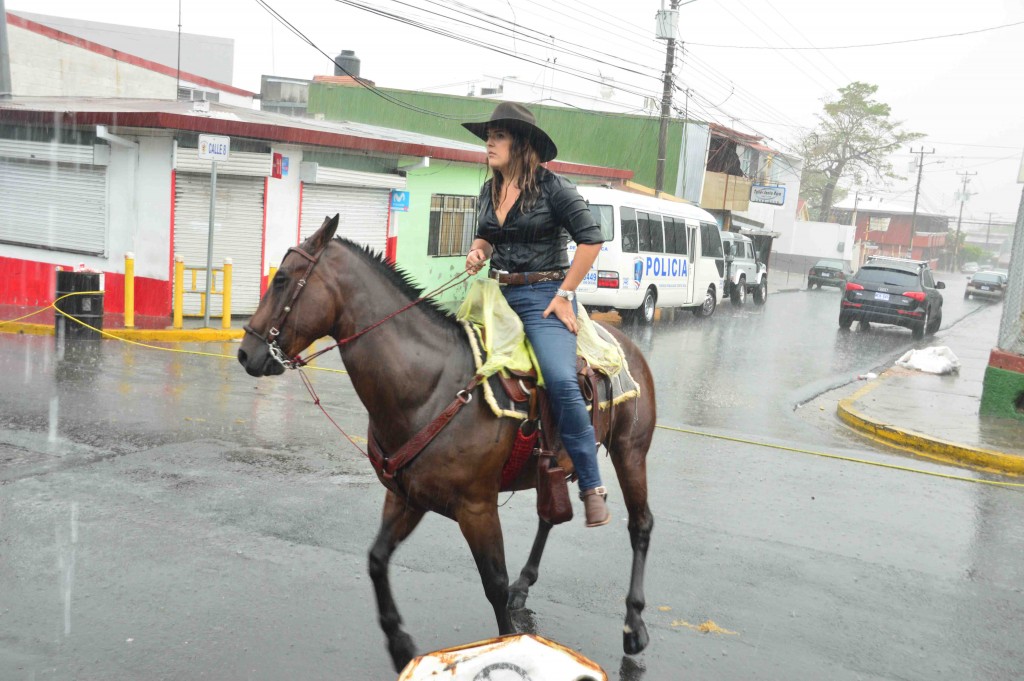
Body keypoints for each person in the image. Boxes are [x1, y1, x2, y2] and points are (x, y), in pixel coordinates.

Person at [462, 102, 609, 528]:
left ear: (522, 144)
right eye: (488, 134)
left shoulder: (555, 188)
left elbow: (591, 241)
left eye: (499, 135)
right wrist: (478, 252)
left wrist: (565, 293)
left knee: (561, 380)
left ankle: (591, 486)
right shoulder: (489, 189)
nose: (489, 142)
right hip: (495, 294)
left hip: (544, 296)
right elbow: (486, 237)